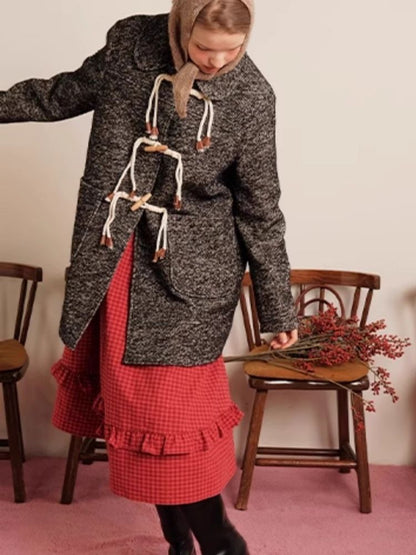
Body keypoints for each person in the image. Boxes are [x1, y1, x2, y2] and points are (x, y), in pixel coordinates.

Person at [0, 1, 298, 553]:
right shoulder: (130, 48)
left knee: (173, 417)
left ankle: (223, 543)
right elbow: (60, 94)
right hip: (115, 261)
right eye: (204, 47)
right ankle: (180, 546)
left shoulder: (252, 97)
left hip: (192, 277)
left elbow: (261, 210)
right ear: (182, 26)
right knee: (142, 416)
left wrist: (278, 309)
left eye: (232, 50)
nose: (216, 62)